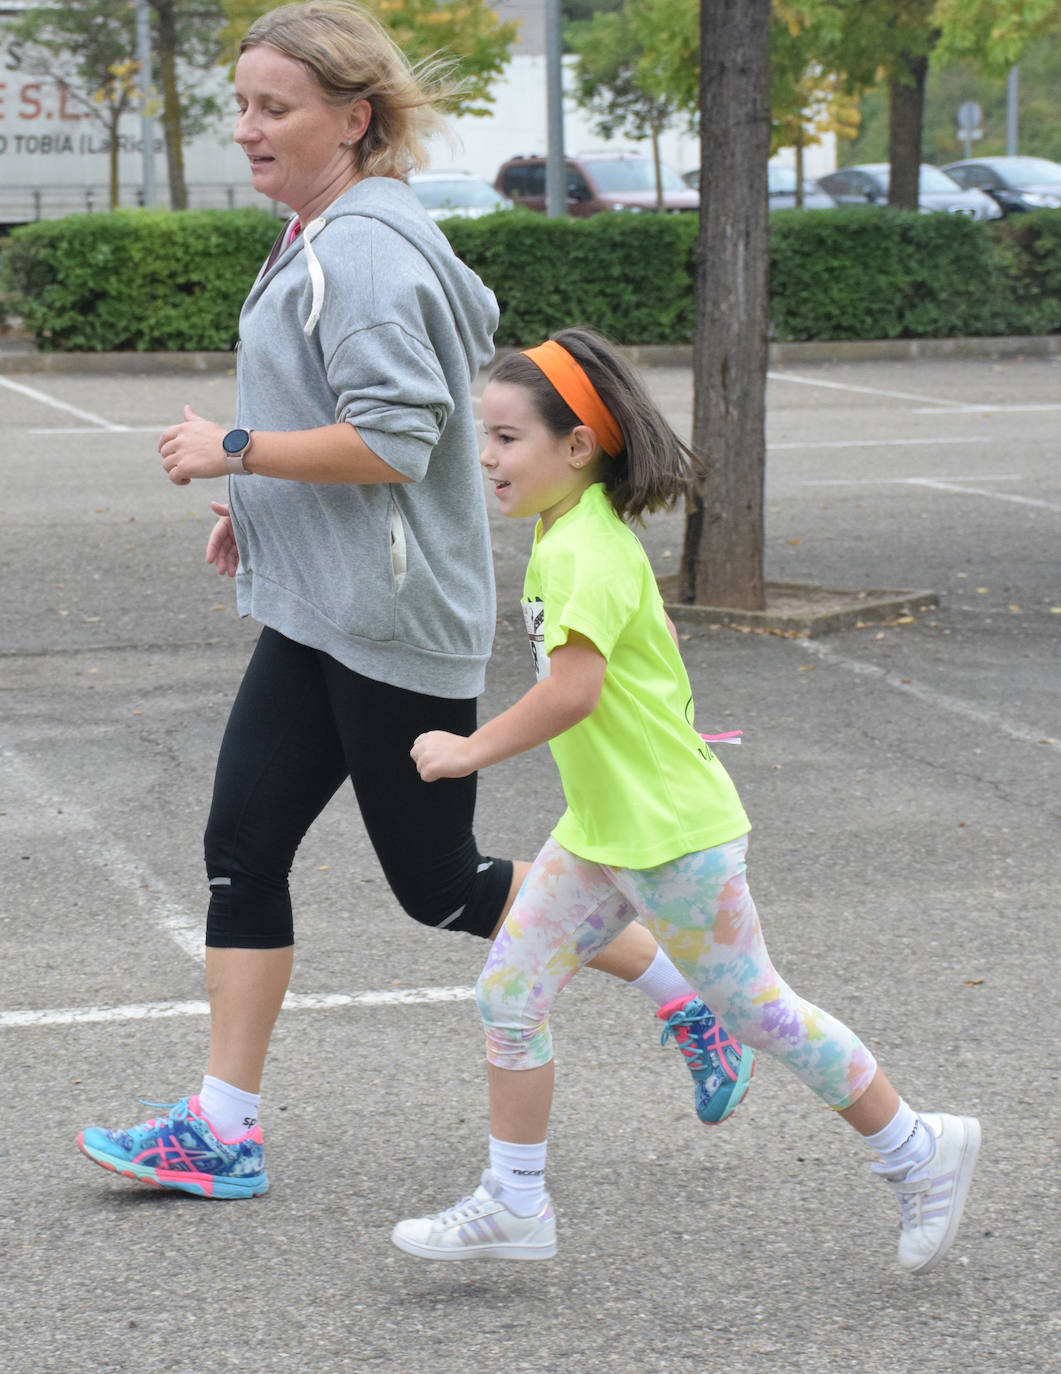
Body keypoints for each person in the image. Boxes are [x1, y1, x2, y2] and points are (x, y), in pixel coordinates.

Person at [75, 2, 752, 1202]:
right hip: (328, 608)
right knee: (242, 847)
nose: (247, 128)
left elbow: (395, 438)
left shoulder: (365, 249)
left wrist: (233, 448)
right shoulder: (332, 225)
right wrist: (264, 503)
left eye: (274, 107)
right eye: (242, 104)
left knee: (440, 886)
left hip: (388, 622)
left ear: (354, 118)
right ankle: (222, 1128)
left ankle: (688, 998)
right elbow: (371, 422)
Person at [390, 328, 981, 1275]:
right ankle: (514, 1202)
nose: (486, 457)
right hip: (601, 830)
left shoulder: (581, 547)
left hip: (669, 836)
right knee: (508, 995)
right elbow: (645, 650)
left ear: (577, 446)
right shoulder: (572, 535)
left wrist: (468, 750)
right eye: (484, 437)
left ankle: (917, 1148)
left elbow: (573, 690)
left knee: (759, 1012)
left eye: (506, 438)